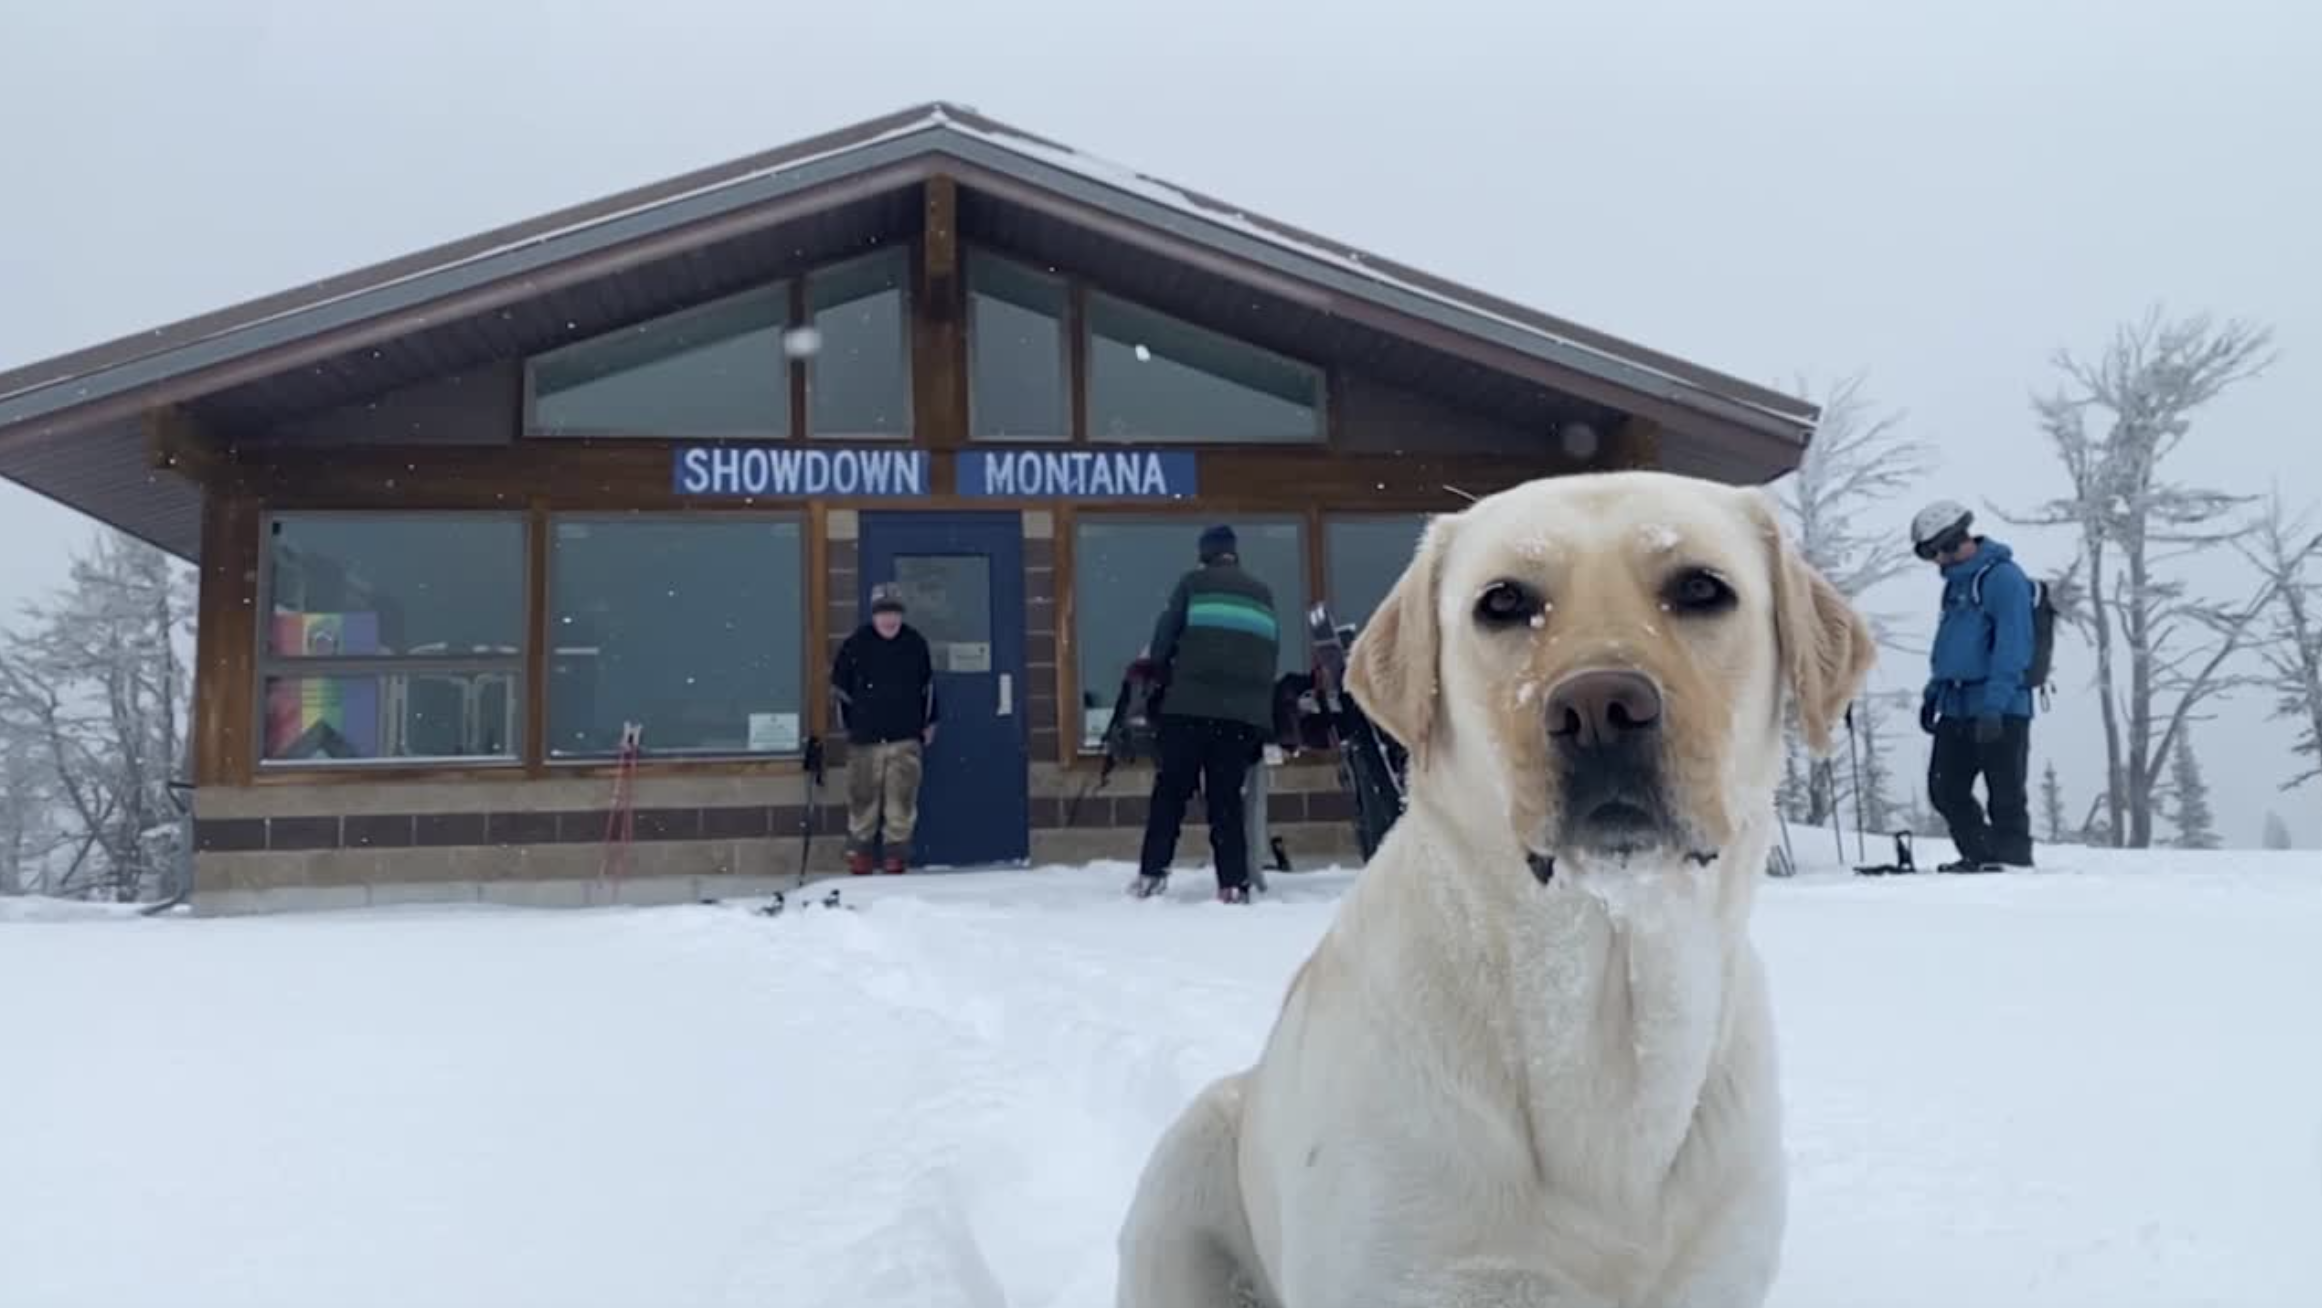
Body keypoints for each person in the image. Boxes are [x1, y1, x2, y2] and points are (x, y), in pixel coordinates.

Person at [1132, 525, 1280, 904]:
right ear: (1234, 553)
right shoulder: (1262, 593)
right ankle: (1233, 883)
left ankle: (1152, 874)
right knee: (1226, 800)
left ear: (1204, 554)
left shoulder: (1193, 584)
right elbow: (1269, 653)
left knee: (1171, 793)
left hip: (1189, 708)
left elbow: (1164, 638)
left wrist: (1154, 672)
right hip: (1241, 718)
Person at [1912, 501, 2036, 871]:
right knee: (1945, 788)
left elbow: (2014, 647)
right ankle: (1981, 856)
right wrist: (1933, 694)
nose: (1936, 561)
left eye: (1936, 551)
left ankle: (2013, 861)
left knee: (2005, 793)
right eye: (1928, 554)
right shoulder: (1956, 586)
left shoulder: (2003, 579)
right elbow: (1951, 647)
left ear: (1953, 541)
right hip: (1955, 704)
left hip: (2001, 706)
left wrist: (1994, 705)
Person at [829, 584, 938, 875]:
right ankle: (860, 854)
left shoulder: (915, 644)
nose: (889, 619)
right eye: (883, 613)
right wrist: (850, 727)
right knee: (862, 800)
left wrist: (930, 722)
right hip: (864, 740)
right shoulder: (856, 645)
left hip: (905, 738)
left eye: (894, 612)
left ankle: (896, 856)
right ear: (874, 615)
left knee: (901, 801)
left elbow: (928, 688)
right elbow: (840, 691)